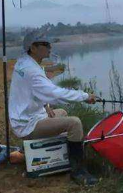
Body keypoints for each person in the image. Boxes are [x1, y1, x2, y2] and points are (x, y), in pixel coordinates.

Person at [9, 31, 98, 185]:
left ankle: (29, 152)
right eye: (46, 44)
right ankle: (78, 172)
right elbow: (55, 93)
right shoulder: (32, 70)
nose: (50, 47)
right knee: (74, 123)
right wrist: (84, 96)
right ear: (33, 48)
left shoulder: (23, 62)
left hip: (25, 117)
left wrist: (46, 105)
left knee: (62, 112)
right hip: (27, 125)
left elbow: (34, 91)